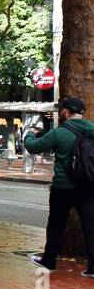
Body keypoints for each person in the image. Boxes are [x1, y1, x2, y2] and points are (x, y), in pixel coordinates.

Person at [24, 96, 94, 277]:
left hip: (63, 186)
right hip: (88, 185)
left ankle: (49, 260)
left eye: (62, 109)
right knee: (90, 226)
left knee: (56, 224)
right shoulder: (92, 129)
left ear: (66, 111)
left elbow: (33, 147)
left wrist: (30, 133)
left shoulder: (59, 133)